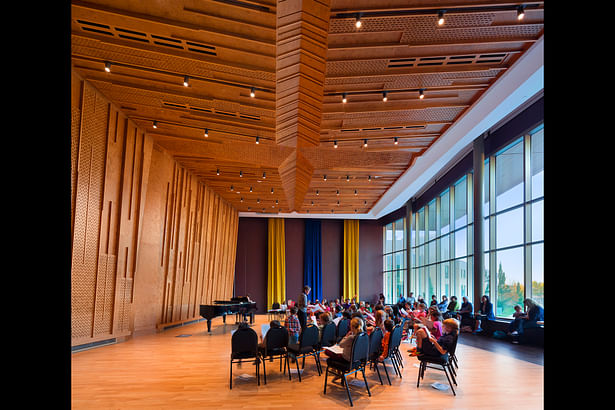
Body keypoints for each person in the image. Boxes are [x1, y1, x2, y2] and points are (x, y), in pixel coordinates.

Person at [324, 317, 364, 383]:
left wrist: (346, 336)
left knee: (328, 352)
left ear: (352, 327)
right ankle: (338, 372)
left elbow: (341, 345)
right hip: (357, 358)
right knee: (336, 354)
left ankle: (338, 372)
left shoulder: (351, 337)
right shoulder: (362, 336)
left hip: (347, 359)